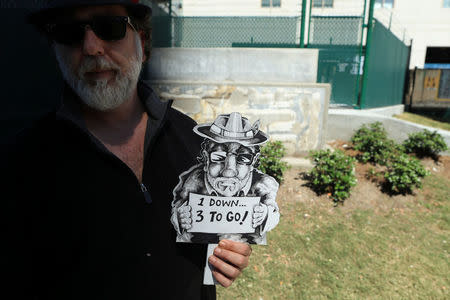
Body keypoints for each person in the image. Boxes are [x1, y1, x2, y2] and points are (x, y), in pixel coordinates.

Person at [1, 1, 251, 299]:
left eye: (110, 26)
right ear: (56, 51)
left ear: (142, 43)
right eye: (69, 32)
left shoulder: (196, 145)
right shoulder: (22, 166)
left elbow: (216, 242)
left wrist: (228, 252)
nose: (92, 47)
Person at [171, 112, 280, 244]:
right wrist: (180, 216)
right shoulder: (192, 180)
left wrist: (266, 215)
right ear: (205, 159)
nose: (229, 171)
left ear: (253, 162)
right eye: (218, 157)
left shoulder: (263, 184)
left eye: (243, 158)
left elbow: (273, 211)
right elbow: (177, 205)